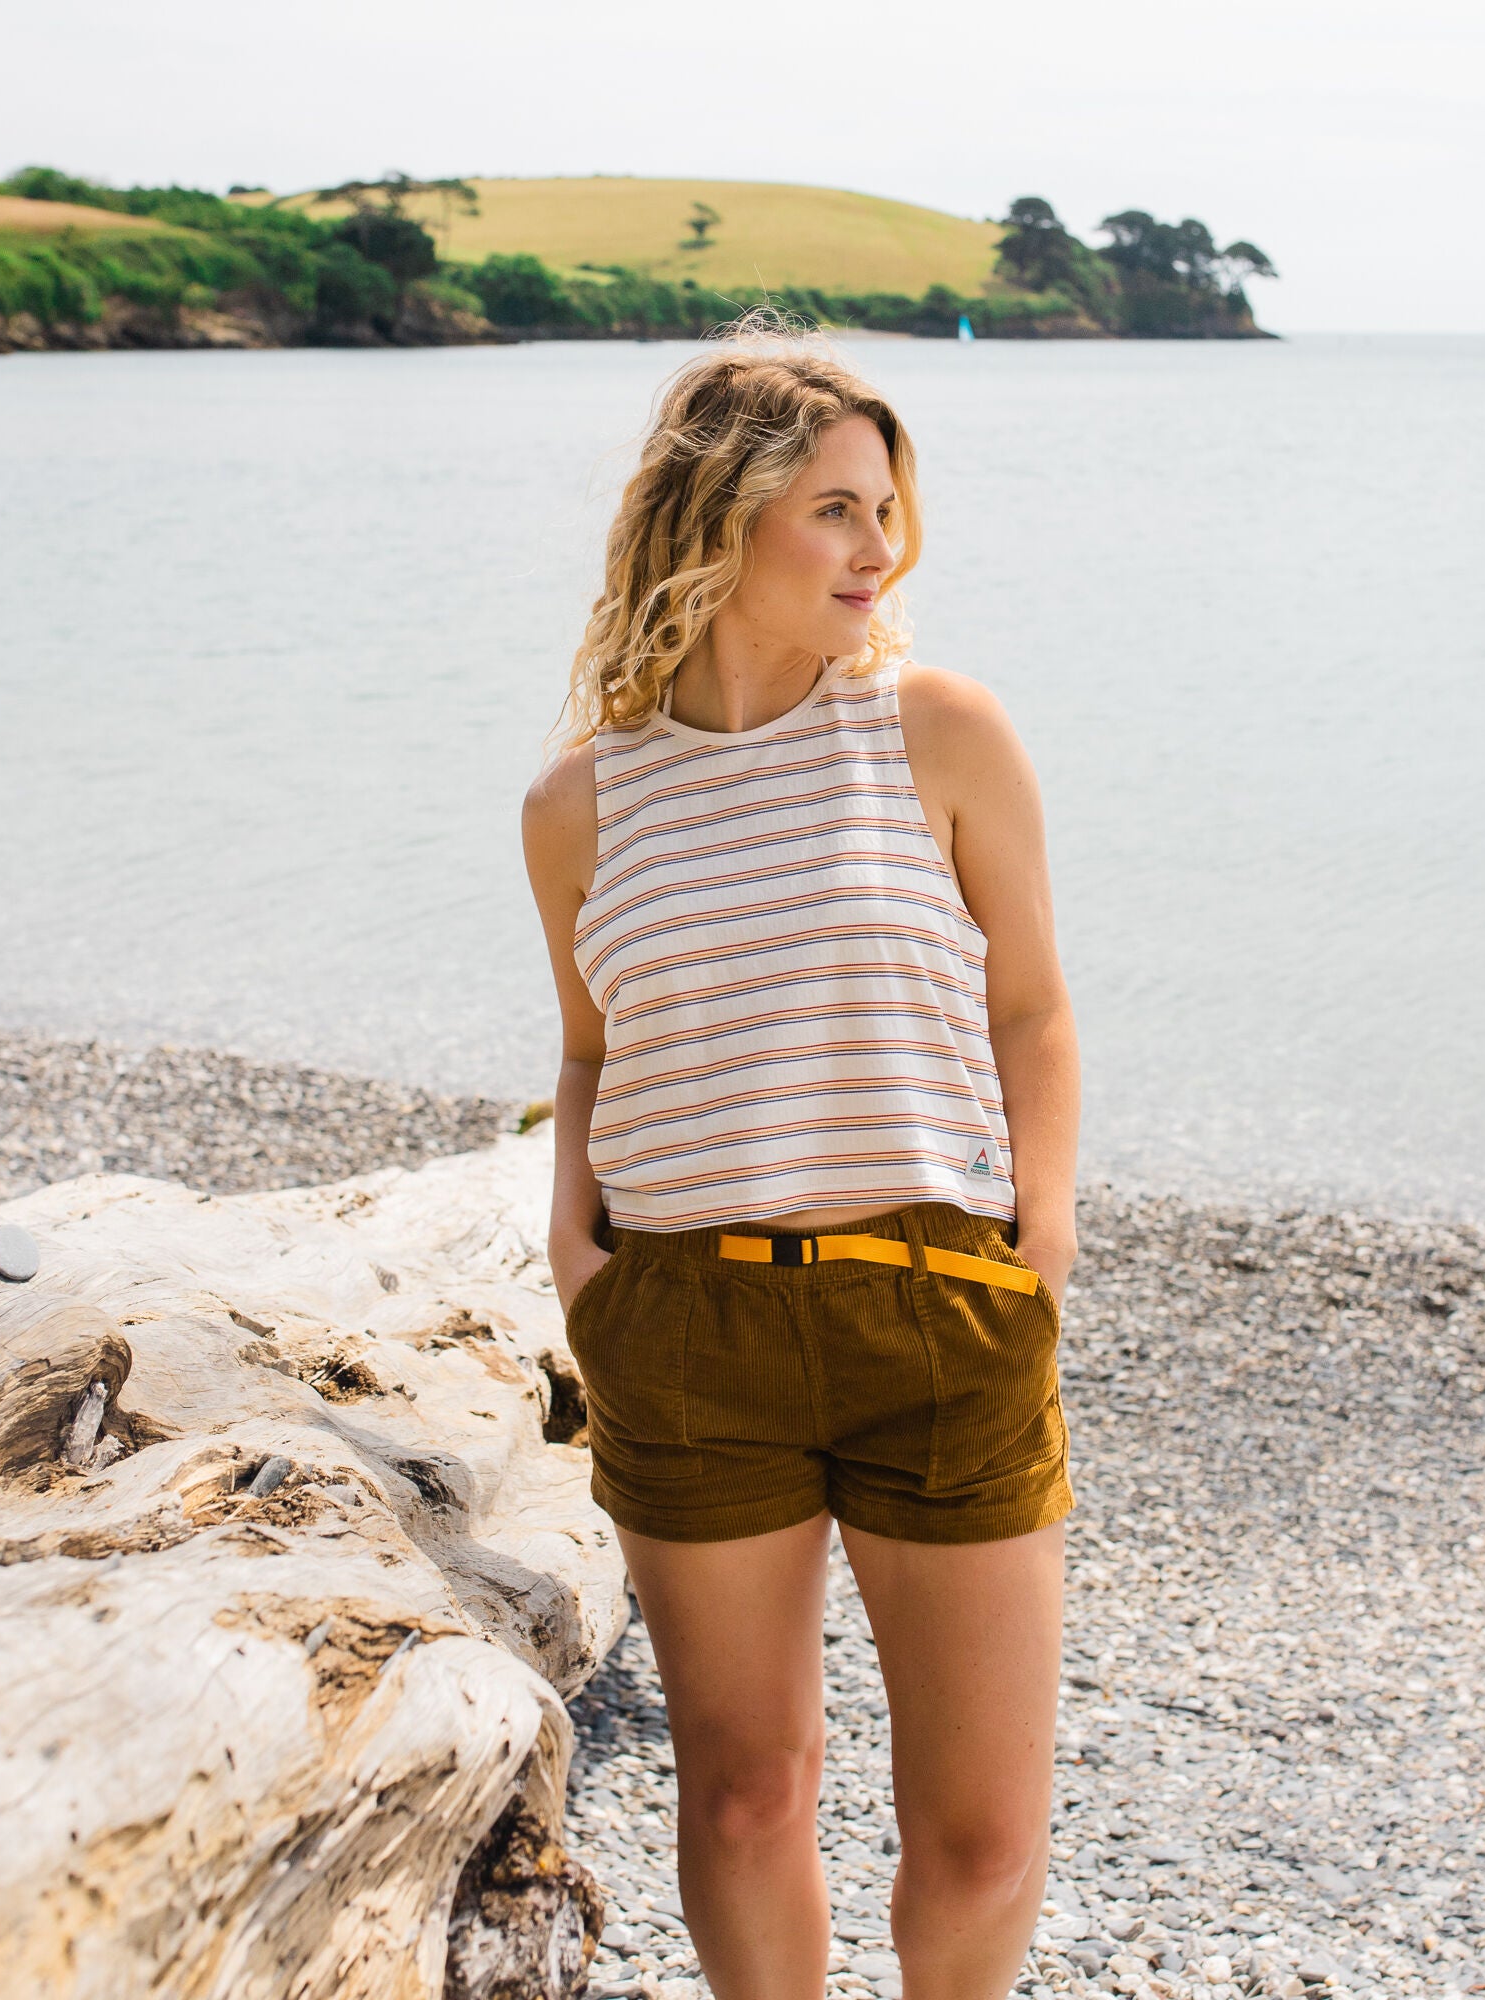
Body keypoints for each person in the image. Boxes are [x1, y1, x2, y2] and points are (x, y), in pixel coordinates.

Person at [522, 318, 1081, 2000]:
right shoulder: (580, 805)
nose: (876, 546)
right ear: (719, 515)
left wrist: (1038, 1239)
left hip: (939, 1309)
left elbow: (1034, 1010)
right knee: (747, 1793)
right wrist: (580, 1258)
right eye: (836, 507)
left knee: (980, 1836)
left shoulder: (936, 731)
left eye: (885, 509)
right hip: (687, 1326)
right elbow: (592, 1046)